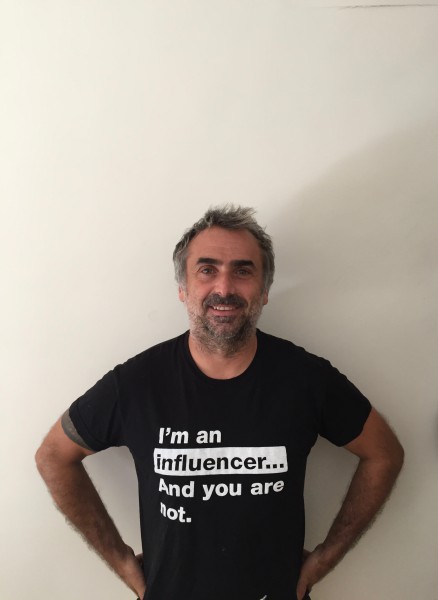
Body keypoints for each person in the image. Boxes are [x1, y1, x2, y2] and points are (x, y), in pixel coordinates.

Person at [35, 205, 404, 600]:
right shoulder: (136, 384)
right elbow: (54, 456)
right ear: (183, 288)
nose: (224, 288)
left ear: (264, 289)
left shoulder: (306, 379)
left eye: (243, 271)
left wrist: (326, 558)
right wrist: (120, 560)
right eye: (207, 270)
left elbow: (384, 454)